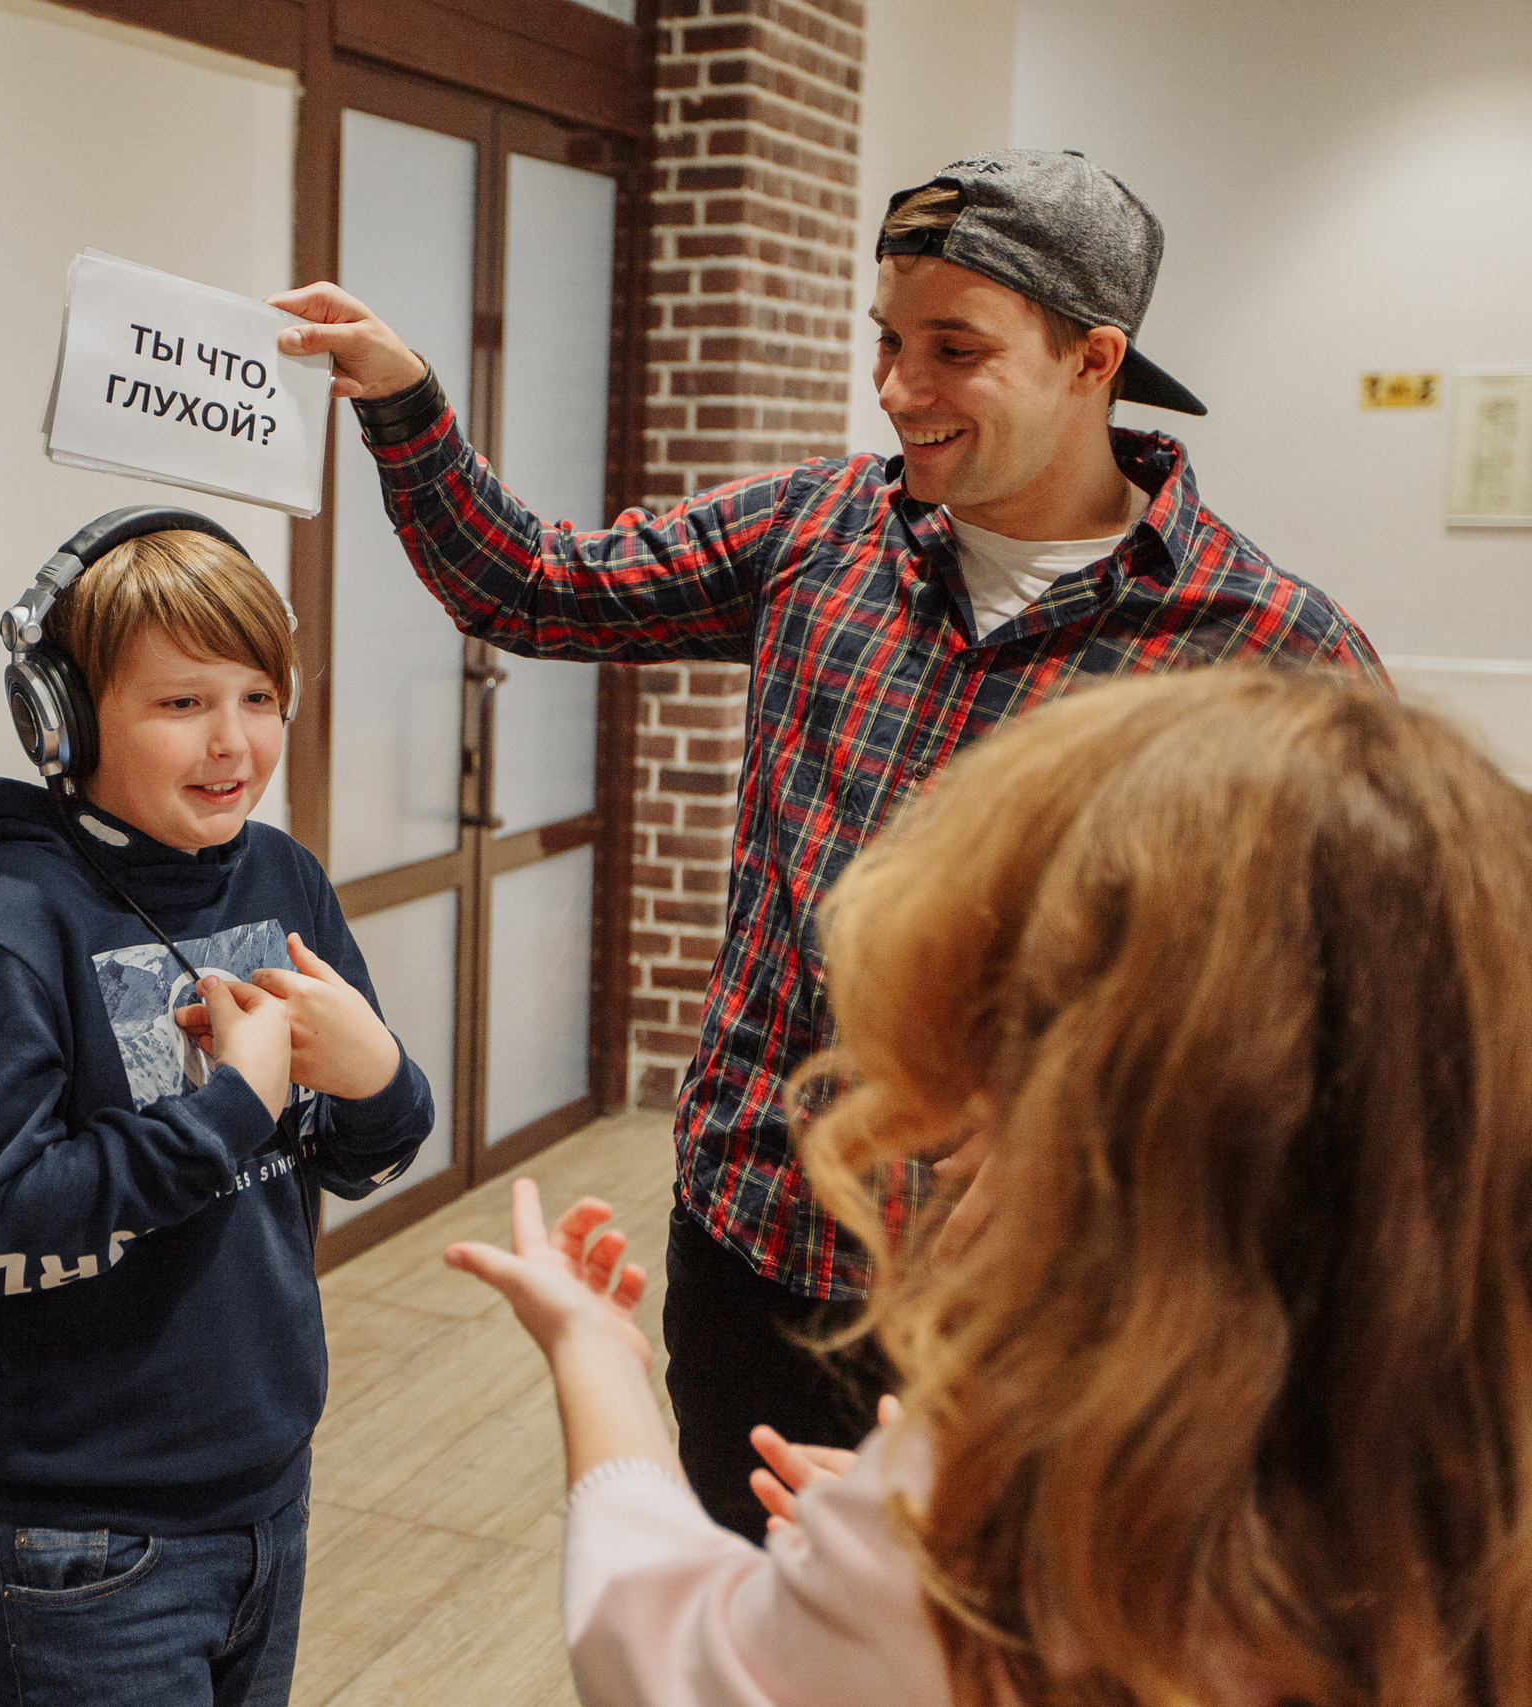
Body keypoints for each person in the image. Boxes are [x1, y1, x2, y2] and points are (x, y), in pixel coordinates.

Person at [271, 149, 1387, 1537]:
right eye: (888, 340)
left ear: (1095, 358)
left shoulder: (1263, 644)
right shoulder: (824, 529)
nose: (900, 387)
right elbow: (536, 584)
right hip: (755, 1236)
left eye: (954, 349)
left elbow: (1360, 1028)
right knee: (740, 1627)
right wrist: (402, 397)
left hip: (1045, 1302)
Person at [452, 666, 1532, 1707]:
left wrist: (594, 1350)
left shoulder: (1007, 1530)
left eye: (1003, 1064)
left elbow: (669, 1659)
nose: (948, 1147)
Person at [0, 521, 437, 1707]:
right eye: (182, 702)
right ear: (66, 721)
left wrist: (378, 1075)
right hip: (83, 1540)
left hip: (264, 1488)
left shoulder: (282, 877)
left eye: (259, 696)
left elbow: (366, 1153)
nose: (234, 743)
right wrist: (231, 1106)